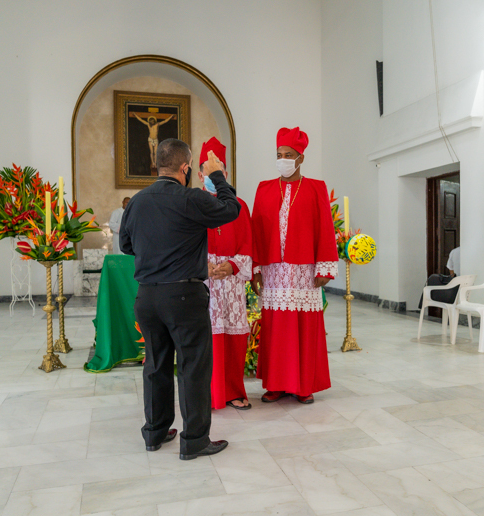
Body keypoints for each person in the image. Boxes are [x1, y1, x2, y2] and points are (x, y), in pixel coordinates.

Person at [119, 138, 240, 460]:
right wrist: (217, 176)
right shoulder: (191, 198)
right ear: (185, 167)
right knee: (193, 368)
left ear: (158, 164)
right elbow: (231, 209)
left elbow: (126, 247)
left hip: (147, 295)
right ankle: (195, 440)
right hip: (183, 295)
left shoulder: (137, 202)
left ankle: (155, 433)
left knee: (156, 365)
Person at [250, 127, 338, 404]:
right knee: (276, 328)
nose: (283, 159)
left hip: (304, 270)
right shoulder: (264, 189)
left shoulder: (316, 187)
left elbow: (325, 226)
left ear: (300, 158)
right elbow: (256, 230)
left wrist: (325, 267)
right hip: (274, 271)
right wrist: (255, 268)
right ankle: (275, 384)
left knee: (303, 326)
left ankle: (303, 385)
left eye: (288, 155)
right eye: (279, 154)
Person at [197, 137, 253, 410]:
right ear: (199, 174)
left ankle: (232, 389)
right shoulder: (192, 203)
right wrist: (201, 264)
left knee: (233, 337)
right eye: (206, 171)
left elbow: (247, 244)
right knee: (205, 338)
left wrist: (232, 265)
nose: (210, 176)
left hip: (230, 283)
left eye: (217, 170)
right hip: (202, 283)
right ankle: (207, 393)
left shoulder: (238, 205)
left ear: (225, 175)